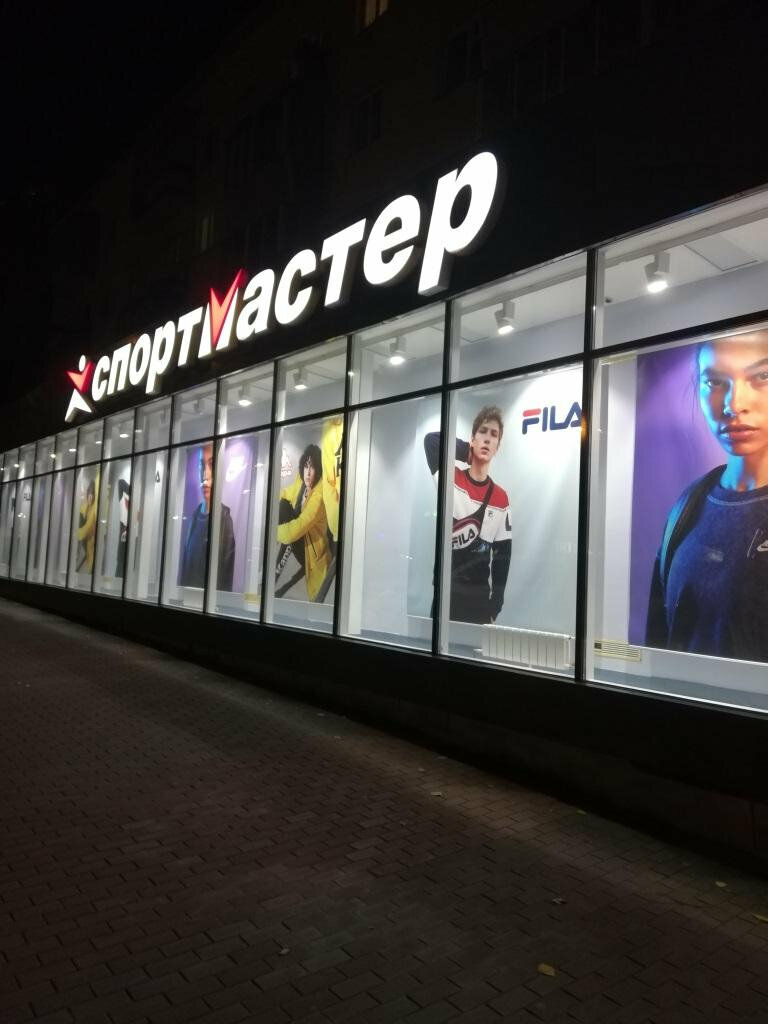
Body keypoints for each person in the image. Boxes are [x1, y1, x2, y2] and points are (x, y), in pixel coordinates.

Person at [646, 333, 768, 661]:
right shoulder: (689, 505)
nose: (734, 404)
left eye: (761, 376)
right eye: (714, 382)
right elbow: (660, 640)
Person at [424, 405, 512, 624]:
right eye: (482, 432)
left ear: (498, 447)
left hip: (478, 601)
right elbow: (431, 441)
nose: (487, 439)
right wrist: (467, 452)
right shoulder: (450, 478)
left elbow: (502, 557)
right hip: (445, 594)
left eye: (494, 435)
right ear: (472, 439)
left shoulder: (501, 498)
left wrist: (495, 606)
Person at [276, 443, 331, 601]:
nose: (308, 472)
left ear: (318, 470)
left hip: (312, 554)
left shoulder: (319, 497)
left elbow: (299, 526)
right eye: (306, 467)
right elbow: (286, 493)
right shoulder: (301, 483)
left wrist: (274, 531)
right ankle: (275, 564)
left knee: (291, 535)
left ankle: (275, 570)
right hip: (301, 539)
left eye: (312, 467)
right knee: (283, 505)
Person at [179, 442, 235, 590]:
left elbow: (224, 579)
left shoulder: (224, 520)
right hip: (188, 600)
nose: (205, 475)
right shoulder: (194, 517)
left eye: (212, 465)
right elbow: (185, 570)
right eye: (202, 465)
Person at [76, 475, 99, 573]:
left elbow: (88, 527)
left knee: (90, 560)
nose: (90, 497)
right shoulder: (84, 508)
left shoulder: (93, 510)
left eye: (92, 494)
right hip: (84, 540)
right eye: (89, 494)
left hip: (90, 540)